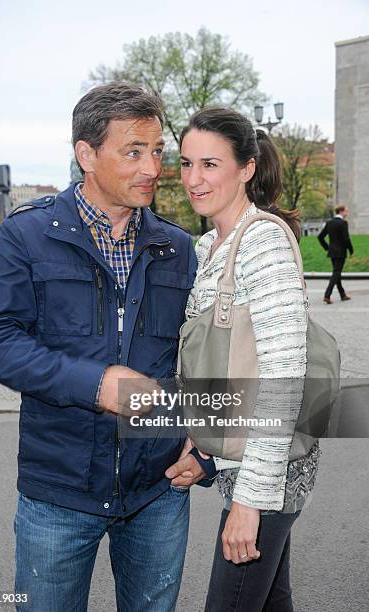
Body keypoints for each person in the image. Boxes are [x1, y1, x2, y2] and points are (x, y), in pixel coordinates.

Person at [0, 82, 215, 612]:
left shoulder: (176, 248)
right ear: (86, 154)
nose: (152, 167)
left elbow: (203, 358)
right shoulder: (28, 235)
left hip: (159, 491)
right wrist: (95, 383)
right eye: (133, 152)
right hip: (58, 493)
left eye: (156, 152)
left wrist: (207, 446)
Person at [179, 107, 321, 612]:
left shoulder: (260, 242)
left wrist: (249, 502)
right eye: (186, 163)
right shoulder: (207, 246)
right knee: (269, 601)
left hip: (270, 471)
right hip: (242, 462)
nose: (194, 179)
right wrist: (203, 451)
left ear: (247, 168)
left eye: (211, 164)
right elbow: (218, 366)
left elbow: (283, 377)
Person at [318, 204, 354, 304]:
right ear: (341, 211)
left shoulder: (329, 222)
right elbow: (346, 239)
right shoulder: (343, 223)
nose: (347, 213)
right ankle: (327, 295)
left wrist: (327, 248)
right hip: (341, 252)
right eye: (346, 211)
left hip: (332, 252)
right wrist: (351, 250)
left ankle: (342, 295)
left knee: (336, 273)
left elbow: (320, 237)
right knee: (336, 273)